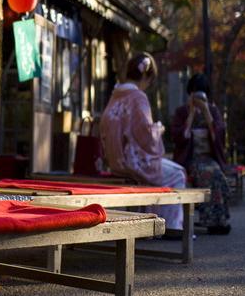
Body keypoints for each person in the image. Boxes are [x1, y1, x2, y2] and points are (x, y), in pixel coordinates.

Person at [99, 53, 187, 235]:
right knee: (178, 174)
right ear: (146, 76)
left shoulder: (115, 95)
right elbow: (146, 135)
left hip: (116, 161)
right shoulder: (138, 97)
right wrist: (158, 131)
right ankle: (169, 227)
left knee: (171, 171)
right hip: (135, 162)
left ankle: (154, 222)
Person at [171, 73, 231, 235]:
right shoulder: (182, 111)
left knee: (218, 176)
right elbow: (178, 138)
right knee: (209, 174)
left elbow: (219, 137)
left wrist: (207, 113)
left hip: (209, 158)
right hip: (190, 159)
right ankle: (213, 221)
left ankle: (219, 220)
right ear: (190, 93)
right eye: (195, 93)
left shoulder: (212, 111)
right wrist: (190, 115)